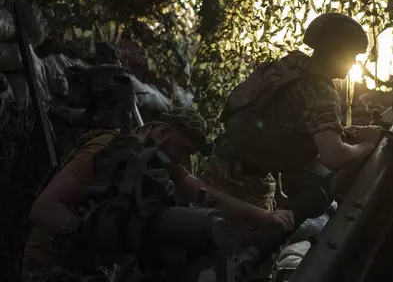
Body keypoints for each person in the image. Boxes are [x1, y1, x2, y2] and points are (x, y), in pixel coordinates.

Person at [21, 107, 295, 282]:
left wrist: (263, 217)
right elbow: (42, 209)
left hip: (96, 267)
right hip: (50, 263)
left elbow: (206, 193)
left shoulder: (161, 161)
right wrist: (93, 232)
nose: (184, 159)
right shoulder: (105, 151)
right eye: (183, 149)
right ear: (162, 132)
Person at [201, 13, 384, 213]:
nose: (353, 63)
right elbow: (334, 156)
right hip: (241, 188)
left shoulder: (289, 67)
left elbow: (273, 124)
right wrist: (368, 144)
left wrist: (339, 131)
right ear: (336, 53)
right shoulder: (321, 92)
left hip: (216, 167)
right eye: (352, 56)